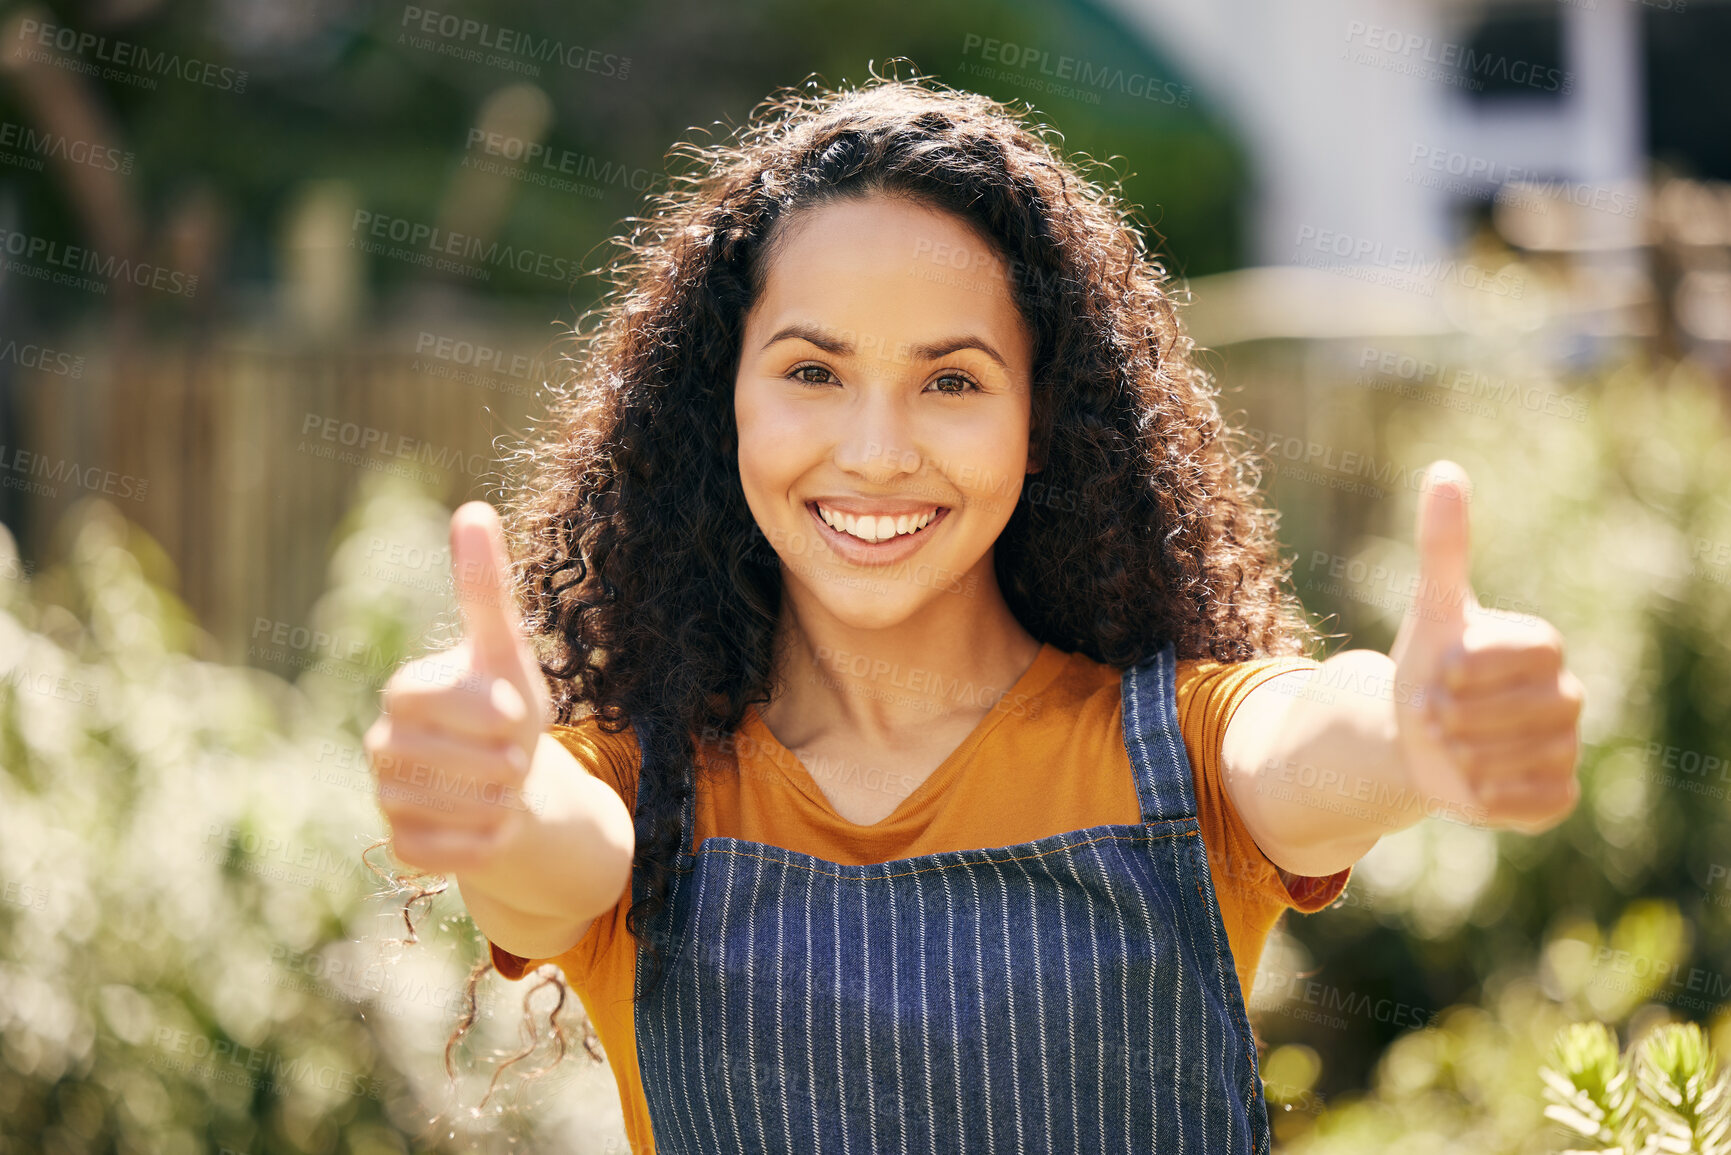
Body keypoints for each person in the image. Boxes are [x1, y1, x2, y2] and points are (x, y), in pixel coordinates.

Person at [363, 74, 1583, 1155]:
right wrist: (494, 788)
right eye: (811, 372)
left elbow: (1319, 739)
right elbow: (547, 854)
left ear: (1039, 420)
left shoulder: (1177, 754)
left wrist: (1420, 734)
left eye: (952, 380)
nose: (878, 450)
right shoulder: (642, 795)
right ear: (716, 404)